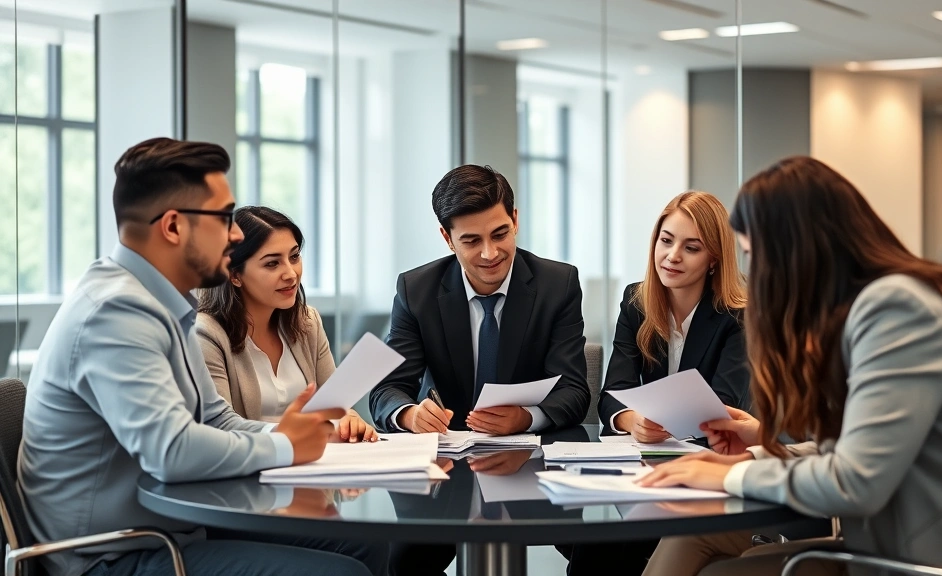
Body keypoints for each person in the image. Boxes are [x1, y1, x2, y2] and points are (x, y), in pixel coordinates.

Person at [637, 156, 942, 576]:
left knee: (727, 572)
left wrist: (730, 477)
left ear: (798, 249)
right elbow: (860, 451)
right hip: (886, 529)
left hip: (933, 554)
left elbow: (854, 481)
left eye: (757, 254)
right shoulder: (892, 299)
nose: (761, 273)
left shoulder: (899, 309)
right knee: (692, 533)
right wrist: (755, 450)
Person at [19, 137, 387, 576]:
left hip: (169, 528)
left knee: (367, 545)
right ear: (173, 227)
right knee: (342, 573)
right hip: (111, 554)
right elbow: (171, 451)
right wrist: (284, 445)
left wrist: (300, 436)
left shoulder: (164, 306)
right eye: (224, 218)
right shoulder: (115, 313)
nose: (234, 236)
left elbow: (217, 420)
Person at [369, 164, 590, 575]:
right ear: (447, 238)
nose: (490, 253)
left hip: (534, 471)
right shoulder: (416, 290)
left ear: (516, 220)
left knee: (603, 554)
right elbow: (386, 390)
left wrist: (526, 418)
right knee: (395, 563)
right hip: (445, 475)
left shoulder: (558, 284)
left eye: (500, 234)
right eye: (471, 240)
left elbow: (575, 390)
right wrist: (410, 413)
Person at [560, 191, 750, 576]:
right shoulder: (637, 301)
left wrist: (661, 423)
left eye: (691, 247)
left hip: (709, 468)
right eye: (666, 240)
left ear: (714, 258)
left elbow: (723, 404)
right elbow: (612, 394)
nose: (672, 255)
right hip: (640, 468)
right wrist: (634, 421)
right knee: (591, 539)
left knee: (603, 548)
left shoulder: (738, 315)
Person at [196, 205, 376, 441]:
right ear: (235, 275)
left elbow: (333, 407)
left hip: (313, 463)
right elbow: (219, 425)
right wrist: (288, 434)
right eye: (272, 263)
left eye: (294, 256)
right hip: (251, 468)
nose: (291, 273)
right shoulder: (206, 334)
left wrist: (346, 419)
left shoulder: (307, 322)